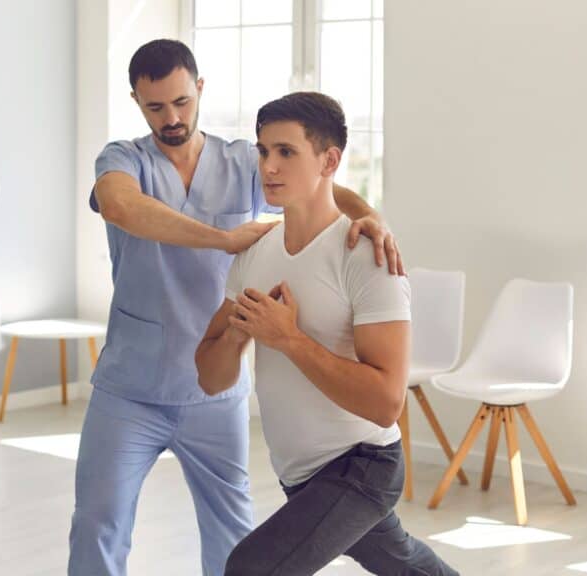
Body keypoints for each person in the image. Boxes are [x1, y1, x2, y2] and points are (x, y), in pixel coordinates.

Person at [68, 40, 404, 576]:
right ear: (136, 100)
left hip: (215, 392)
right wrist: (223, 239)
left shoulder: (242, 160)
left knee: (232, 534)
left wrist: (374, 218)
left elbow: (320, 184)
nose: (172, 118)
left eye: (181, 101)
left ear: (199, 89)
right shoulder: (123, 159)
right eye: (155, 107)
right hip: (129, 389)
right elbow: (120, 205)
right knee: (98, 524)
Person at [196, 92, 459, 575]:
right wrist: (239, 334)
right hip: (301, 474)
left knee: (250, 569)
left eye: (286, 152)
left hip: (362, 466)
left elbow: (386, 402)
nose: (268, 166)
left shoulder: (368, 256)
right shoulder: (255, 251)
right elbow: (210, 378)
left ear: (329, 160)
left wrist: (288, 340)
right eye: (263, 150)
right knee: (405, 564)